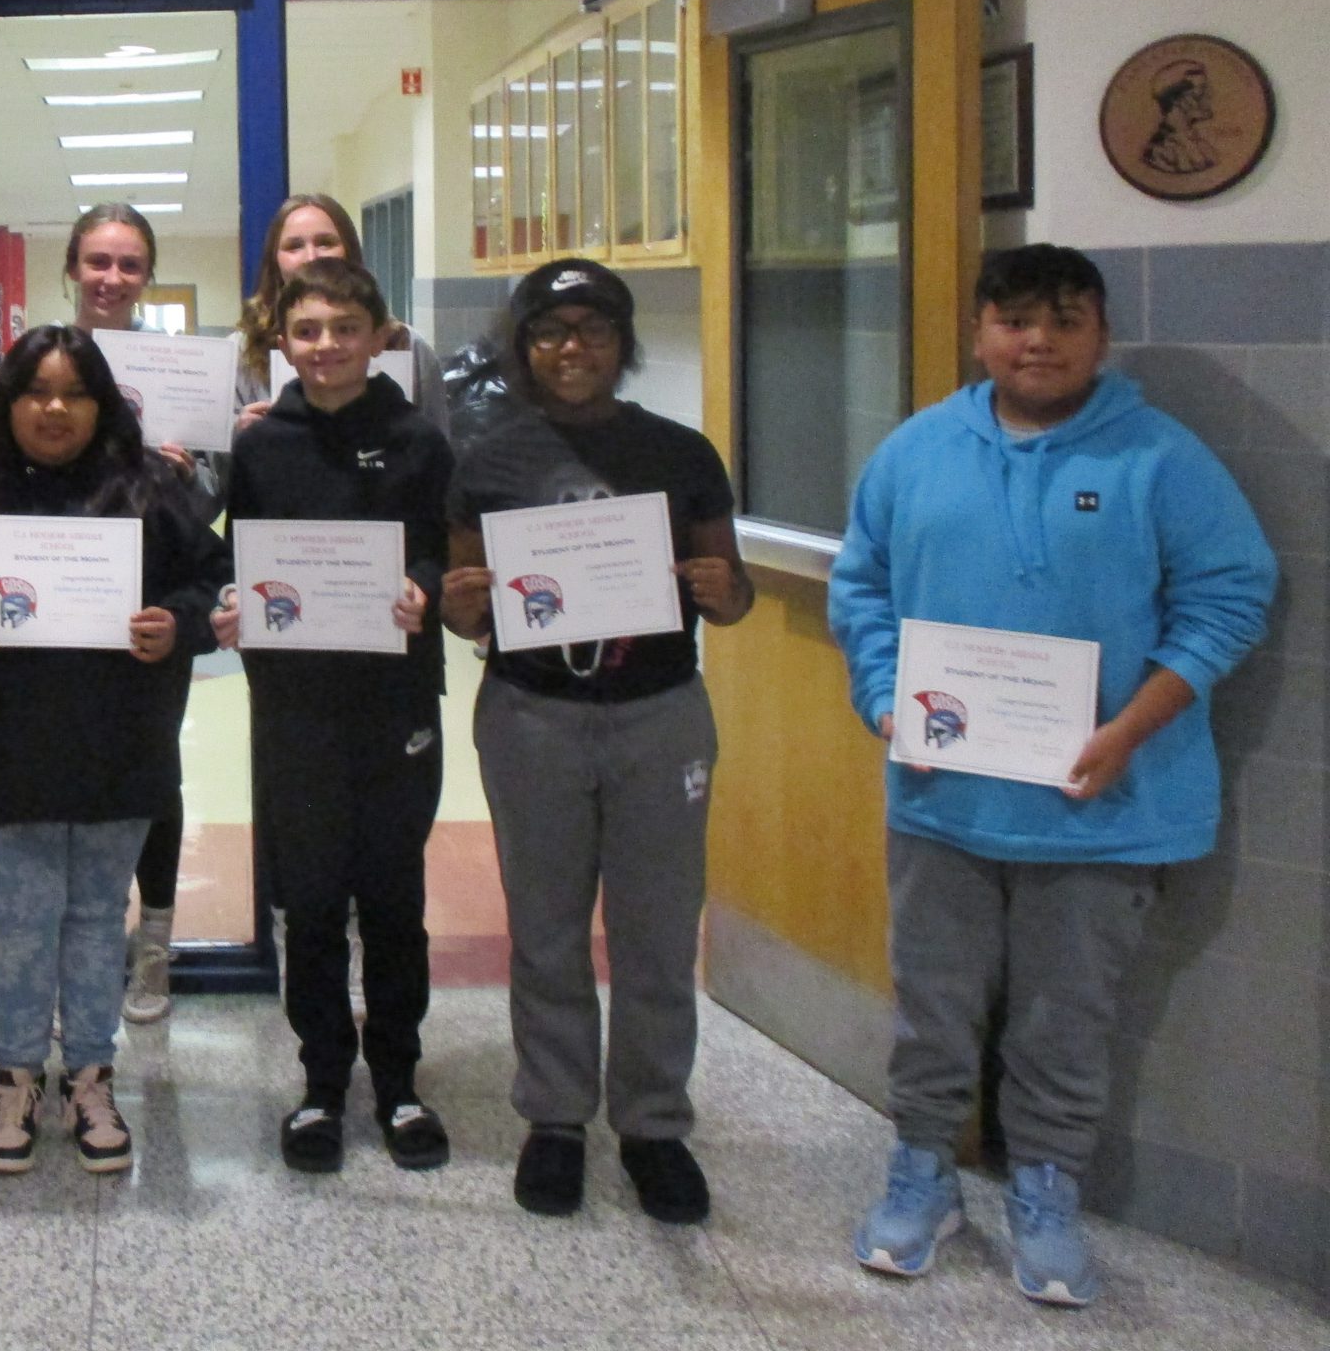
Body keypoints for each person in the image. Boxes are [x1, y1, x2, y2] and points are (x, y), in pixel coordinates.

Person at [831, 245, 1274, 1307]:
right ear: (979, 332)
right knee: (932, 1010)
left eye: (1065, 321)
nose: (1038, 341)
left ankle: (1044, 1190)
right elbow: (864, 591)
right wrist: (888, 704)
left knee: (1063, 1020)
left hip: (1103, 808)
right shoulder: (915, 451)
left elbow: (1230, 598)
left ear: (1100, 335)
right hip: (945, 801)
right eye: (1015, 320)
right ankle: (923, 1172)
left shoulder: (1159, 458)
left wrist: (1127, 729)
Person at [440, 258, 748, 1227]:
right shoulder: (487, 460)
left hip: (659, 713)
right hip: (532, 716)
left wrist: (717, 591)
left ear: (621, 344)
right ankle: (557, 1121)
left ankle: (653, 1124)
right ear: (522, 347)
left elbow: (732, 595)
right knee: (545, 928)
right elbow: (469, 607)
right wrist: (459, 608)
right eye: (549, 332)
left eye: (593, 330)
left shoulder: (681, 451)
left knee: (658, 931)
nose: (571, 349)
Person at [0, 324, 231, 1173]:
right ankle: (16, 1078)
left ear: (101, 404)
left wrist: (180, 626)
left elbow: (214, 583)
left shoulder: (154, 489)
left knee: (99, 922)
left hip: (120, 752)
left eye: (74, 393)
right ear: (8, 403)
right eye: (35, 392)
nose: (54, 409)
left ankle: (91, 1076)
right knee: (22, 922)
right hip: (15, 753)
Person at [217, 258, 456, 1174]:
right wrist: (235, 606)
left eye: (343, 330)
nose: (325, 347)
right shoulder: (261, 446)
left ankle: (397, 1082)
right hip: (295, 705)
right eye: (307, 331)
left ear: (379, 337)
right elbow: (243, 555)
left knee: (393, 898)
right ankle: (322, 1084)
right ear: (282, 341)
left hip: (395, 701)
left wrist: (422, 591)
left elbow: (441, 549)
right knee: (310, 901)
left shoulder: (416, 440)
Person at [59, 200, 221, 1024]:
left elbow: (216, 498)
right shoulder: (41, 364)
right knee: (69, 768)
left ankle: (152, 945)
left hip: (151, 599)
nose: (111, 278)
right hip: (61, 599)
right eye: (97, 261)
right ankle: (79, 939)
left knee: (154, 768)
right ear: (73, 269)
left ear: (147, 277)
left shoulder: (180, 371)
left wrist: (189, 473)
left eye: (128, 264)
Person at [232, 194, 448, 432]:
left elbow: (439, 450)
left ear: (350, 251)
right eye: (294, 246)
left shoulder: (406, 344)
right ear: (275, 262)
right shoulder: (242, 352)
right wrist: (239, 436)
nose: (311, 257)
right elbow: (210, 464)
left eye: (325, 242)